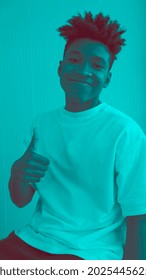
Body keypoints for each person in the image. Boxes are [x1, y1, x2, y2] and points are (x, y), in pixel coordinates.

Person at [1, 11, 146, 260]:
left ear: (107, 79)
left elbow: (138, 215)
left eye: (98, 65)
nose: (84, 70)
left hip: (92, 252)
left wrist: (133, 272)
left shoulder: (125, 131)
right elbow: (20, 199)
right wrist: (17, 173)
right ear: (60, 68)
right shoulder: (42, 124)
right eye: (75, 60)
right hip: (34, 239)